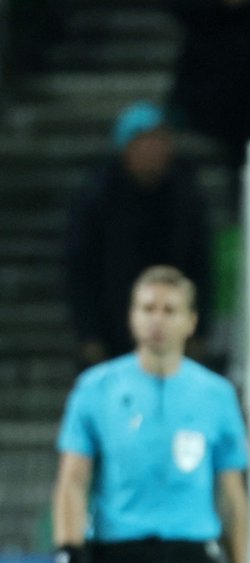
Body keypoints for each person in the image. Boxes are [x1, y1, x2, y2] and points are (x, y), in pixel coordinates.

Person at [52, 265, 250, 563]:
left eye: (169, 309)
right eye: (147, 308)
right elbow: (72, 483)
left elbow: (233, 499)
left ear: (190, 320)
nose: (157, 319)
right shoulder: (95, 389)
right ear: (132, 317)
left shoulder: (217, 397)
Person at [65, 101, 214, 371]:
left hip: (173, 330)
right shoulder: (96, 197)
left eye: (160, 140)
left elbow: (201, 266)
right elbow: (80, 270)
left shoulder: (186, 196)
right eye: (145, 141)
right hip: (112, 330)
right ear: (126, 148)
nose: (154, 150)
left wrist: (199, 330)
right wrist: (89, 334)